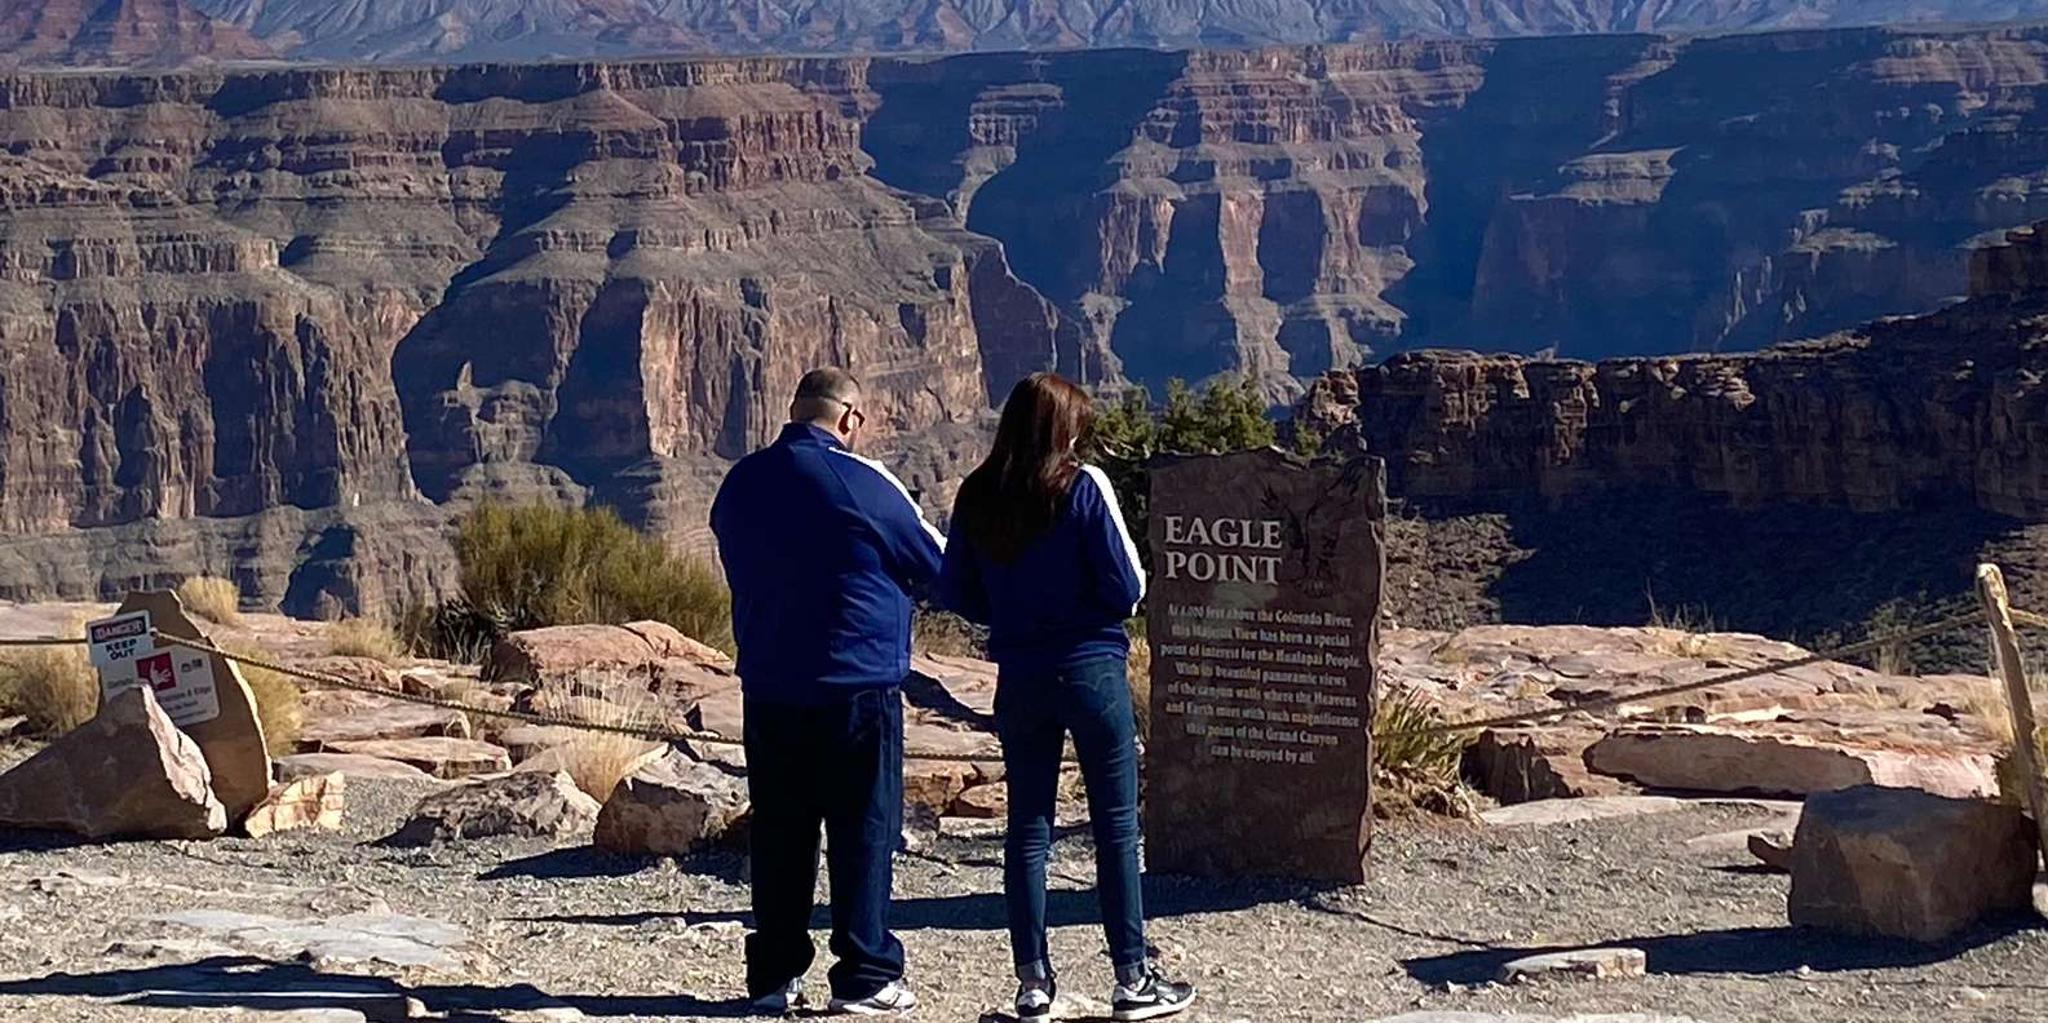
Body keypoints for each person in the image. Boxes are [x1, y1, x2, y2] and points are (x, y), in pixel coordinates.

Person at [936, 373, 1197, 1022]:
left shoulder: (976, 493)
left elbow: (957, 591)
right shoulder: (1083, 485)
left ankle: (1032, 986)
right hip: (1091, 670)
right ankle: (1132, 980)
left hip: (1019, 675)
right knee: (1115, 824)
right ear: (1064, 426)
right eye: (1078, 421)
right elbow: (1129, 584)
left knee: (1028, 826)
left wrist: (1009, 611)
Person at [710, 367, 943, 1016]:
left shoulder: (739, 484)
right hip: (856, 687)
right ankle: (865, 973)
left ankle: (773, 975)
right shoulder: (864, 482)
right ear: (850, 420)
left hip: (769, 686)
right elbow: (936, 563)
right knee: (862, 827)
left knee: (781, 830)